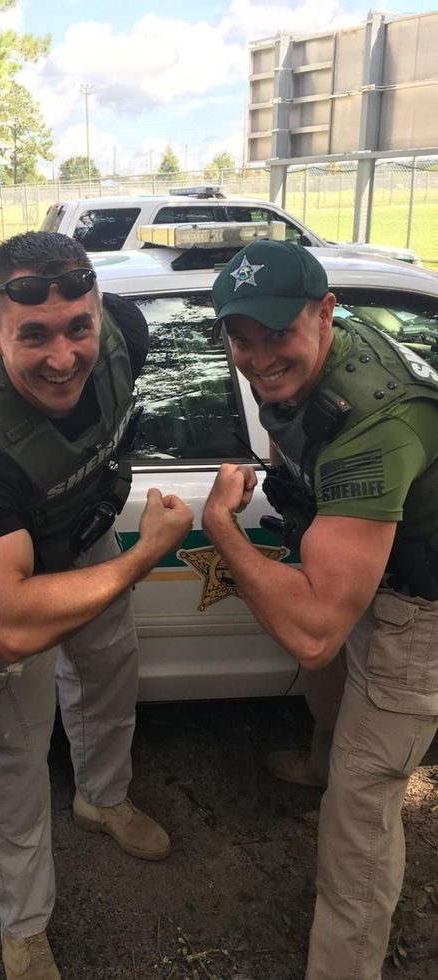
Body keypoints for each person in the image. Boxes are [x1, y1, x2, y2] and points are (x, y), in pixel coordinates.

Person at [0, 231, 193, 980]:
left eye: (78, 326)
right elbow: (7, 622)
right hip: (12, 581)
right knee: (16, 749)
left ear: (100, 309)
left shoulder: (124, 333)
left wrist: (113, 554)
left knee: (110, 672)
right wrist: (142, 556)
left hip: (87, 538)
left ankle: (102, 799)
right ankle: (23, 922)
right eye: (31, 335)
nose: (64, 356)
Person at [201, 238, 438, 980]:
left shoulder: (374, 424)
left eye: (276, 332)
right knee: (331, 686)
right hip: (370, 559)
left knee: (358, 816)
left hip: (420, 608)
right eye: (240, 336)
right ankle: (318, 762)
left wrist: (219, 532)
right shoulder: (324, 354)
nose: (256, 355)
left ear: (326, 313)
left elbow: (312, 630)